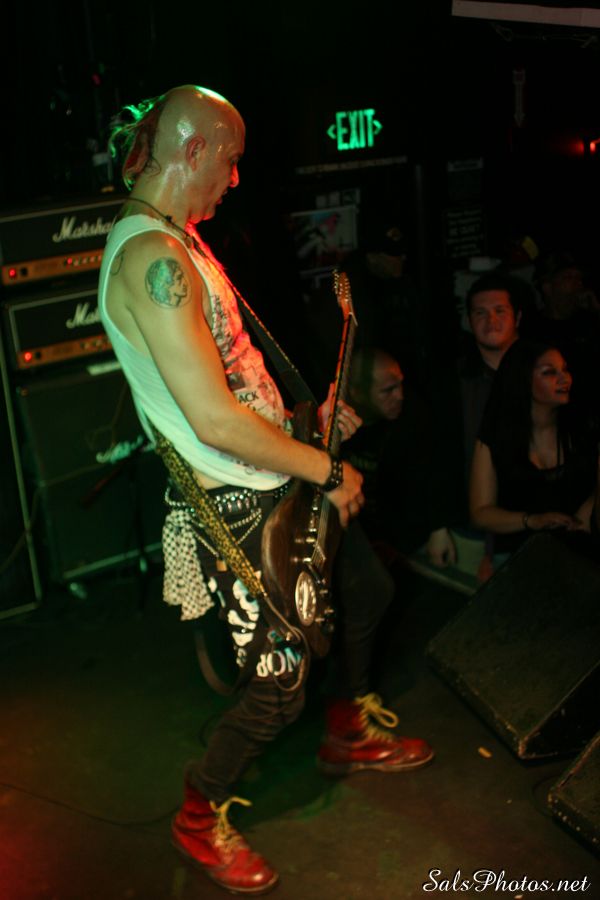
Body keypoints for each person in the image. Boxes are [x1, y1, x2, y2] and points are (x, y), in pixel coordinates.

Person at [98, 85, 433, 895]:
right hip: (240, 501)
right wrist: (326, 468)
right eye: (231, 160)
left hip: (278, 470)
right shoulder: (150, 259)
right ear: (193, 151)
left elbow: (235, 381)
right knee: (279, 685)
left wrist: (307, 424)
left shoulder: (181, 240)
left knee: (368, 588)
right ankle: (197, 811)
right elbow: (213, 420)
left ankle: (348, 727)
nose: (237, 178)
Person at [469, 339, 599, 570]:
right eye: (549, 372)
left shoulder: (583, 429)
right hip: (520, 557)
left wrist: (587, 512)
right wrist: (531, 520)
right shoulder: (497, 437)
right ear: (524, 380)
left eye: (565, 369)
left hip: (579, 552)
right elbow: (480, 513)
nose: (565, 378)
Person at [426, 272, 522, 579]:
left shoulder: (544, 371)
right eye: (480, 313)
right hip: (469, 531)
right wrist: (437, 525)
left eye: (500, 311)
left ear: (518, 317)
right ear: (469, 320)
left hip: (532, 526)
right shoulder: (453, 381)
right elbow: (434, 452)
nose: (491, 320)